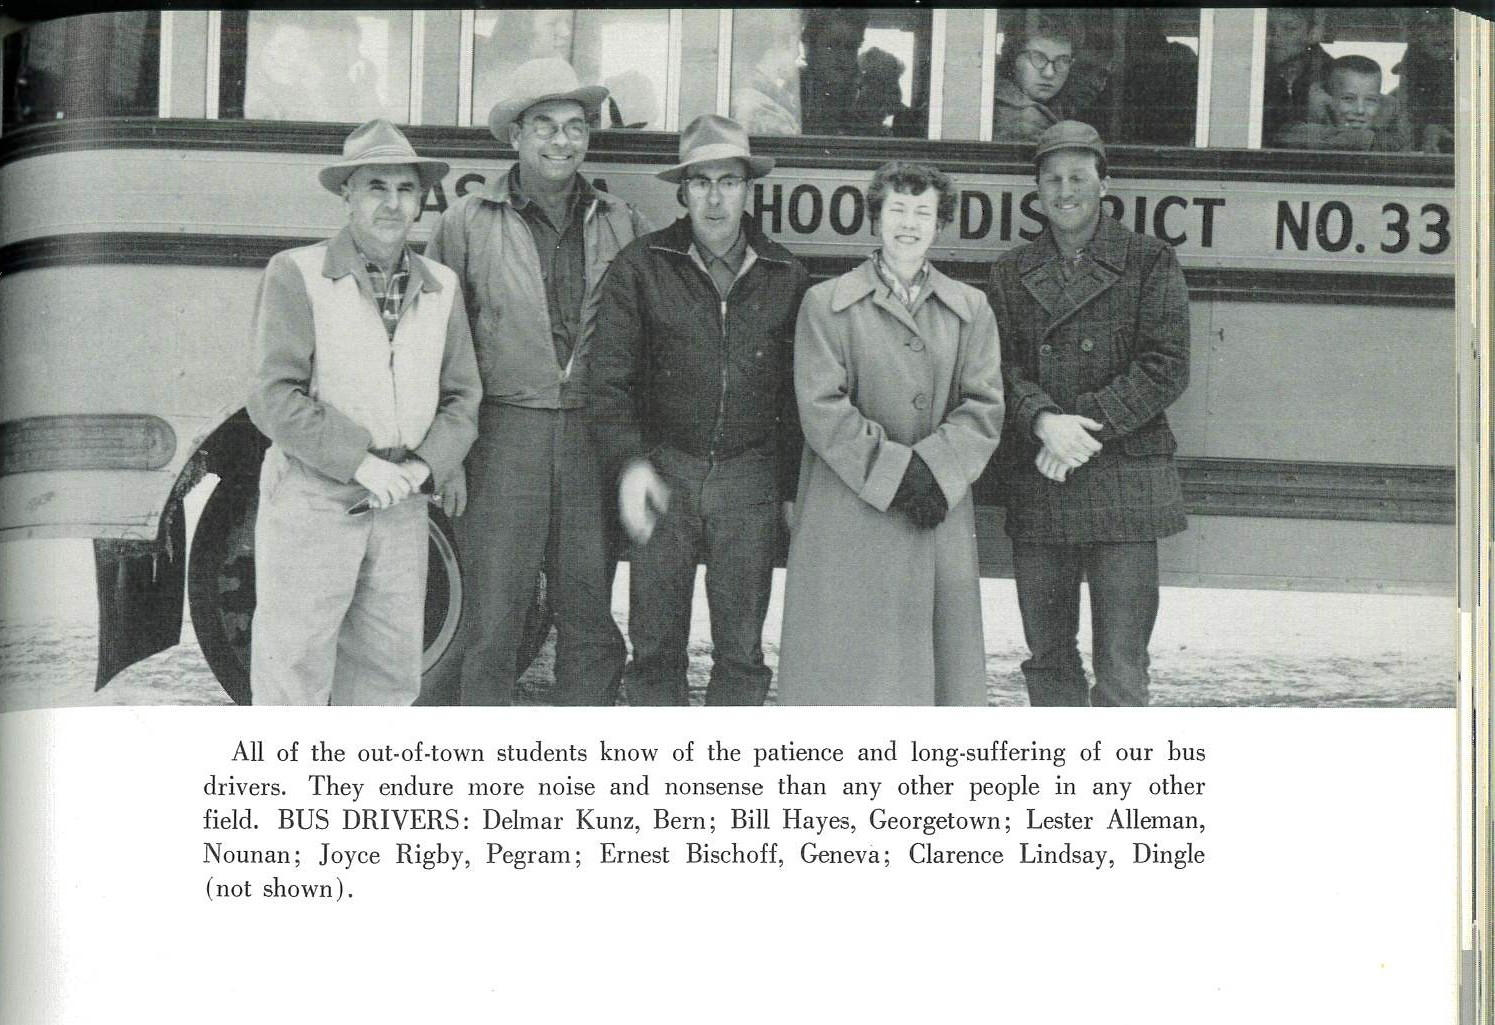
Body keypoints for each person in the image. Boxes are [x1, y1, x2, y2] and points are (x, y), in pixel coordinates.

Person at [425, 59, 648, 706]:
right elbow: (438, 343)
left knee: (589, 620)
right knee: (493, 621)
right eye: (545, 125)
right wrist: (450, 455)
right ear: (516, 137)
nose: (561, 140)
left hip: (588, 438)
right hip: (502, 439)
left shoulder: (619, 220)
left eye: (575, 126)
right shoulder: (467, 221)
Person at [246, 119, 481, 705]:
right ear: (347, 194)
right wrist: (360, 462)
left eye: (405, 190)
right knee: (293, 670)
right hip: (312, 497)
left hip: (402, 506)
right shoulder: (296, 273)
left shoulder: (443, 286)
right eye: (376, 187)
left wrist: (426, 466)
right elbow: (272, 396)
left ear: (422, 201)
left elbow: (462, 399)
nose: (392, 203)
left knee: (388, 678)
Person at [588, 115, 809, 706]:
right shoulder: (642, 265)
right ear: (682, 191)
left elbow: (798, 399)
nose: (715, 197)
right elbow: (609, 382)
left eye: (729, 181)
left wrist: (788, 489)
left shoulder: (786, 274)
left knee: (741, 651)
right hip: (667, 470)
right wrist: (632, 464)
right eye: (701, 182)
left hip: (749, 477)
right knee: (656, 648)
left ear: (748, 188)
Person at [776, 161, 1005, 705]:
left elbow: (984, 405)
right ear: (875, 217)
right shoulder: (825, 303)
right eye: (897, 209)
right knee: (850, 676)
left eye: (923, 212)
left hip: (937, 508)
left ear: (940, 224)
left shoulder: (970, 309)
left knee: (928, 677)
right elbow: (822, 406)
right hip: (850, 507)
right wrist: (899, 477)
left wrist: (935, 473)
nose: (909, 223)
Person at [985, 121, 1190, 707]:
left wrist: (1079, 429)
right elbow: (995, 368)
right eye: (1052, 179)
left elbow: (1166, 365)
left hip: (1123, 480)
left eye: (1078, 176)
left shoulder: (1149, 260)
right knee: (1047, 660)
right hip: (1042, 477)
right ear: (1037, 191)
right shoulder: (1010, 270)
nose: (1065, 189)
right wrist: (1045, 422)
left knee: (1123, 669)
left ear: (1106, 183)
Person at [1273, 55, 1407, 152]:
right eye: (1348, 99)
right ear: (1326, 99)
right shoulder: (1298, 134)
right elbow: (1286, 135)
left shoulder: (1389, 138)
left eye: (1370, 100)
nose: (1360, 110)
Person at [992, 12, 1080, 142]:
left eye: (1062, 60)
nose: (1049, 73)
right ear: (1012, 58)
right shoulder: (1026, 120)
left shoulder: (1056, 106)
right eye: (1037, 57)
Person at [1261, 8, 1332, 143]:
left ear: (1312, 33)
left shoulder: (1333, 77)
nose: (1276, 36)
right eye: (1268, 27)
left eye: (1290, 28)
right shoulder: (1251, 75)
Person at [730, 9, 804, 136]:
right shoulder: (754, 103)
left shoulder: (771, 97)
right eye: (795, 53)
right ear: (775, 48)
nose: (800, 61)